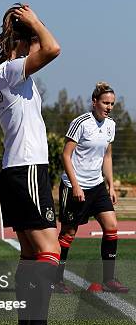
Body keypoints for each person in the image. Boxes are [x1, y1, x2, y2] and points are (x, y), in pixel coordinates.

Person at [0, 3, 78, 325]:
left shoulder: (5, 72)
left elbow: (45, 48)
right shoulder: (11, 70)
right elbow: (53, 48)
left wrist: (28, 24)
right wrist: (36, 21)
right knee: (50, 250)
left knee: (29, 255)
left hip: (18, 169)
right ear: (24, 42)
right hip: (27, 168)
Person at [56, 82, 129, 293]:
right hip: (74, 186)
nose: (109, 107)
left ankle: (109, 280)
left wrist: (111, 185)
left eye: (112, 104)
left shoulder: (110, 125)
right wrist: (76, 186)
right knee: (68, 234)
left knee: (111, 227)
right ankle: (56, 280)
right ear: (94, 102)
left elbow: (107, 156)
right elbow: (66, 155)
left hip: (97, 186)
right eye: (105, 103)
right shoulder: (81, 123)